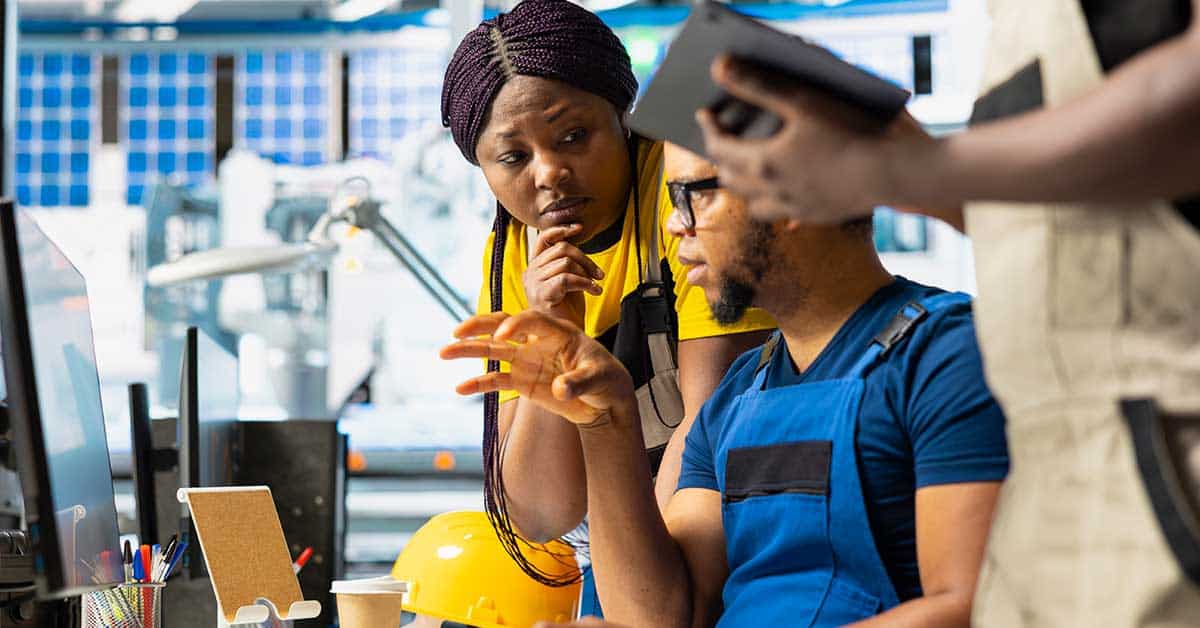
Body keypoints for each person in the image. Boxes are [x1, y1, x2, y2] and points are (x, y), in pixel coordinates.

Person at [694, 0, 1200, 624]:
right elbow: (1054, 229)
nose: (679, 223)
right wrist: (891, 153)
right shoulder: (1011, 27)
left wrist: (901, 167)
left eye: (698, 194)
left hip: (1170, 452)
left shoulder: (935, 348)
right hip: (1063, 475)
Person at [442, 143, 1009, 627]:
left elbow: (967, 608)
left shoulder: (946, 353)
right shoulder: (740, 391)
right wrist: (605, 420)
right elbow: (662, 614)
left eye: (695, 195)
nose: (672, 224)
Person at [439, 0, 774, 607]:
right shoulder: (511, 251)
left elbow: (712, 431)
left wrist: (656, 592)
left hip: (726, 531)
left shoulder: (684, 198)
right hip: (619, 548)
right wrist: (548, 328)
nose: (550, 174)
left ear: (623, 115)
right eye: (514, 157)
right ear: (482, 168)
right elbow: (540, 511)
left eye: (574, 136)